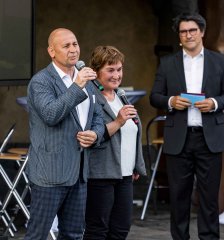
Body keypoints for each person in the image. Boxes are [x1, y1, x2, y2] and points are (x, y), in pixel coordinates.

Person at [150, 13, 224, 240]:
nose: (188, 35)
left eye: (192, 30)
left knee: (209, 199)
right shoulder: (168, 63)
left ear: (202, 32)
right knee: (179, 197)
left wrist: (214, 103)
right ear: (179, 36)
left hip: (209, 138)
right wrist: (171, 101)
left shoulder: (219, 61)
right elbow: (155, 96)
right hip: (179, 138)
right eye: (183, 31)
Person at [24, 28, 105, 240]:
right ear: (52, 51)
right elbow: (51, 114)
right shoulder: (41, 81)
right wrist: (77, 87)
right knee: (37, 235)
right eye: (66, 46)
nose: (73, 50)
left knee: (74, 235)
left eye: (75, 44)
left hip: (78, 172)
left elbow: (97, 116)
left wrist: (95, 135)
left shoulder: (86, 79)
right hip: (49, 174)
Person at [79, 46, 146, 240]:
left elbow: (132, 133)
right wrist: (118, 121)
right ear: (97, 70)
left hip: (125, 174)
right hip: (100, 174)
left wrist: (135, 164)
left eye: (119, 69)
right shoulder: (89, 97)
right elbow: (92, 135)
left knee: (120, 229)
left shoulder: (120, 95)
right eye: (110, 70)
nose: (116, 75)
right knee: (97, 229)